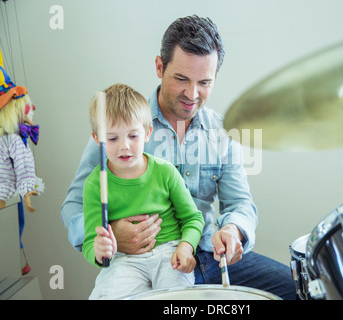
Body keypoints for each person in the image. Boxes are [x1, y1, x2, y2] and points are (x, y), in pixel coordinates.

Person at [61, 15, 296, 300]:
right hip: (149, 261)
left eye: (205, 82)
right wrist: (110, 234)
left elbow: (240, 203)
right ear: (160, 67)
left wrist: (234, 230)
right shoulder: (120, 128)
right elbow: (73, 206)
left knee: (297, 288)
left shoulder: (222, 132)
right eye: (182, 79)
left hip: (211, 254)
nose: (192, 94)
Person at [83, 83, 204, 299]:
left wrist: (186, 247)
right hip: (124, 259)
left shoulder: (165, 171)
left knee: (178, 300)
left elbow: (193, 219)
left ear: (147, 132)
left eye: (133, 136)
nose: (124, 146)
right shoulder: (94, 185)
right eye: (112, 138)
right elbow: (91, 242)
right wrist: (99, 252)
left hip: (169, 252)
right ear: (97, 139)